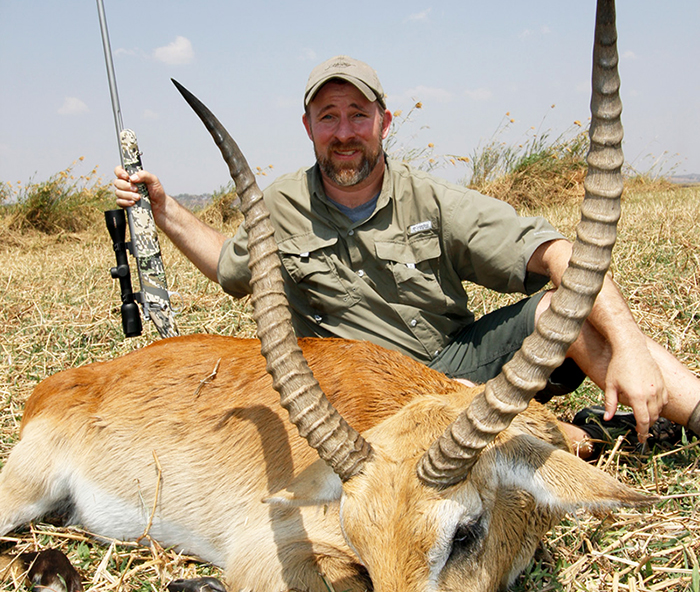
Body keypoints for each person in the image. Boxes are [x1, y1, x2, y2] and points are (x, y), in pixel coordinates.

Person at [114, 55, 700, 453]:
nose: (344, 131)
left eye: (358, 115)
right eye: (328, 117)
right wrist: (164, 210)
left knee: (565, 312)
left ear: (384, 122)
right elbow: (227, 266)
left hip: (448, 369)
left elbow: (560, 254)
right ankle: (541, 434)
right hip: (353, 402)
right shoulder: (280, 204)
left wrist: (630, 349)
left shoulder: (432, 198)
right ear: (308, 127)